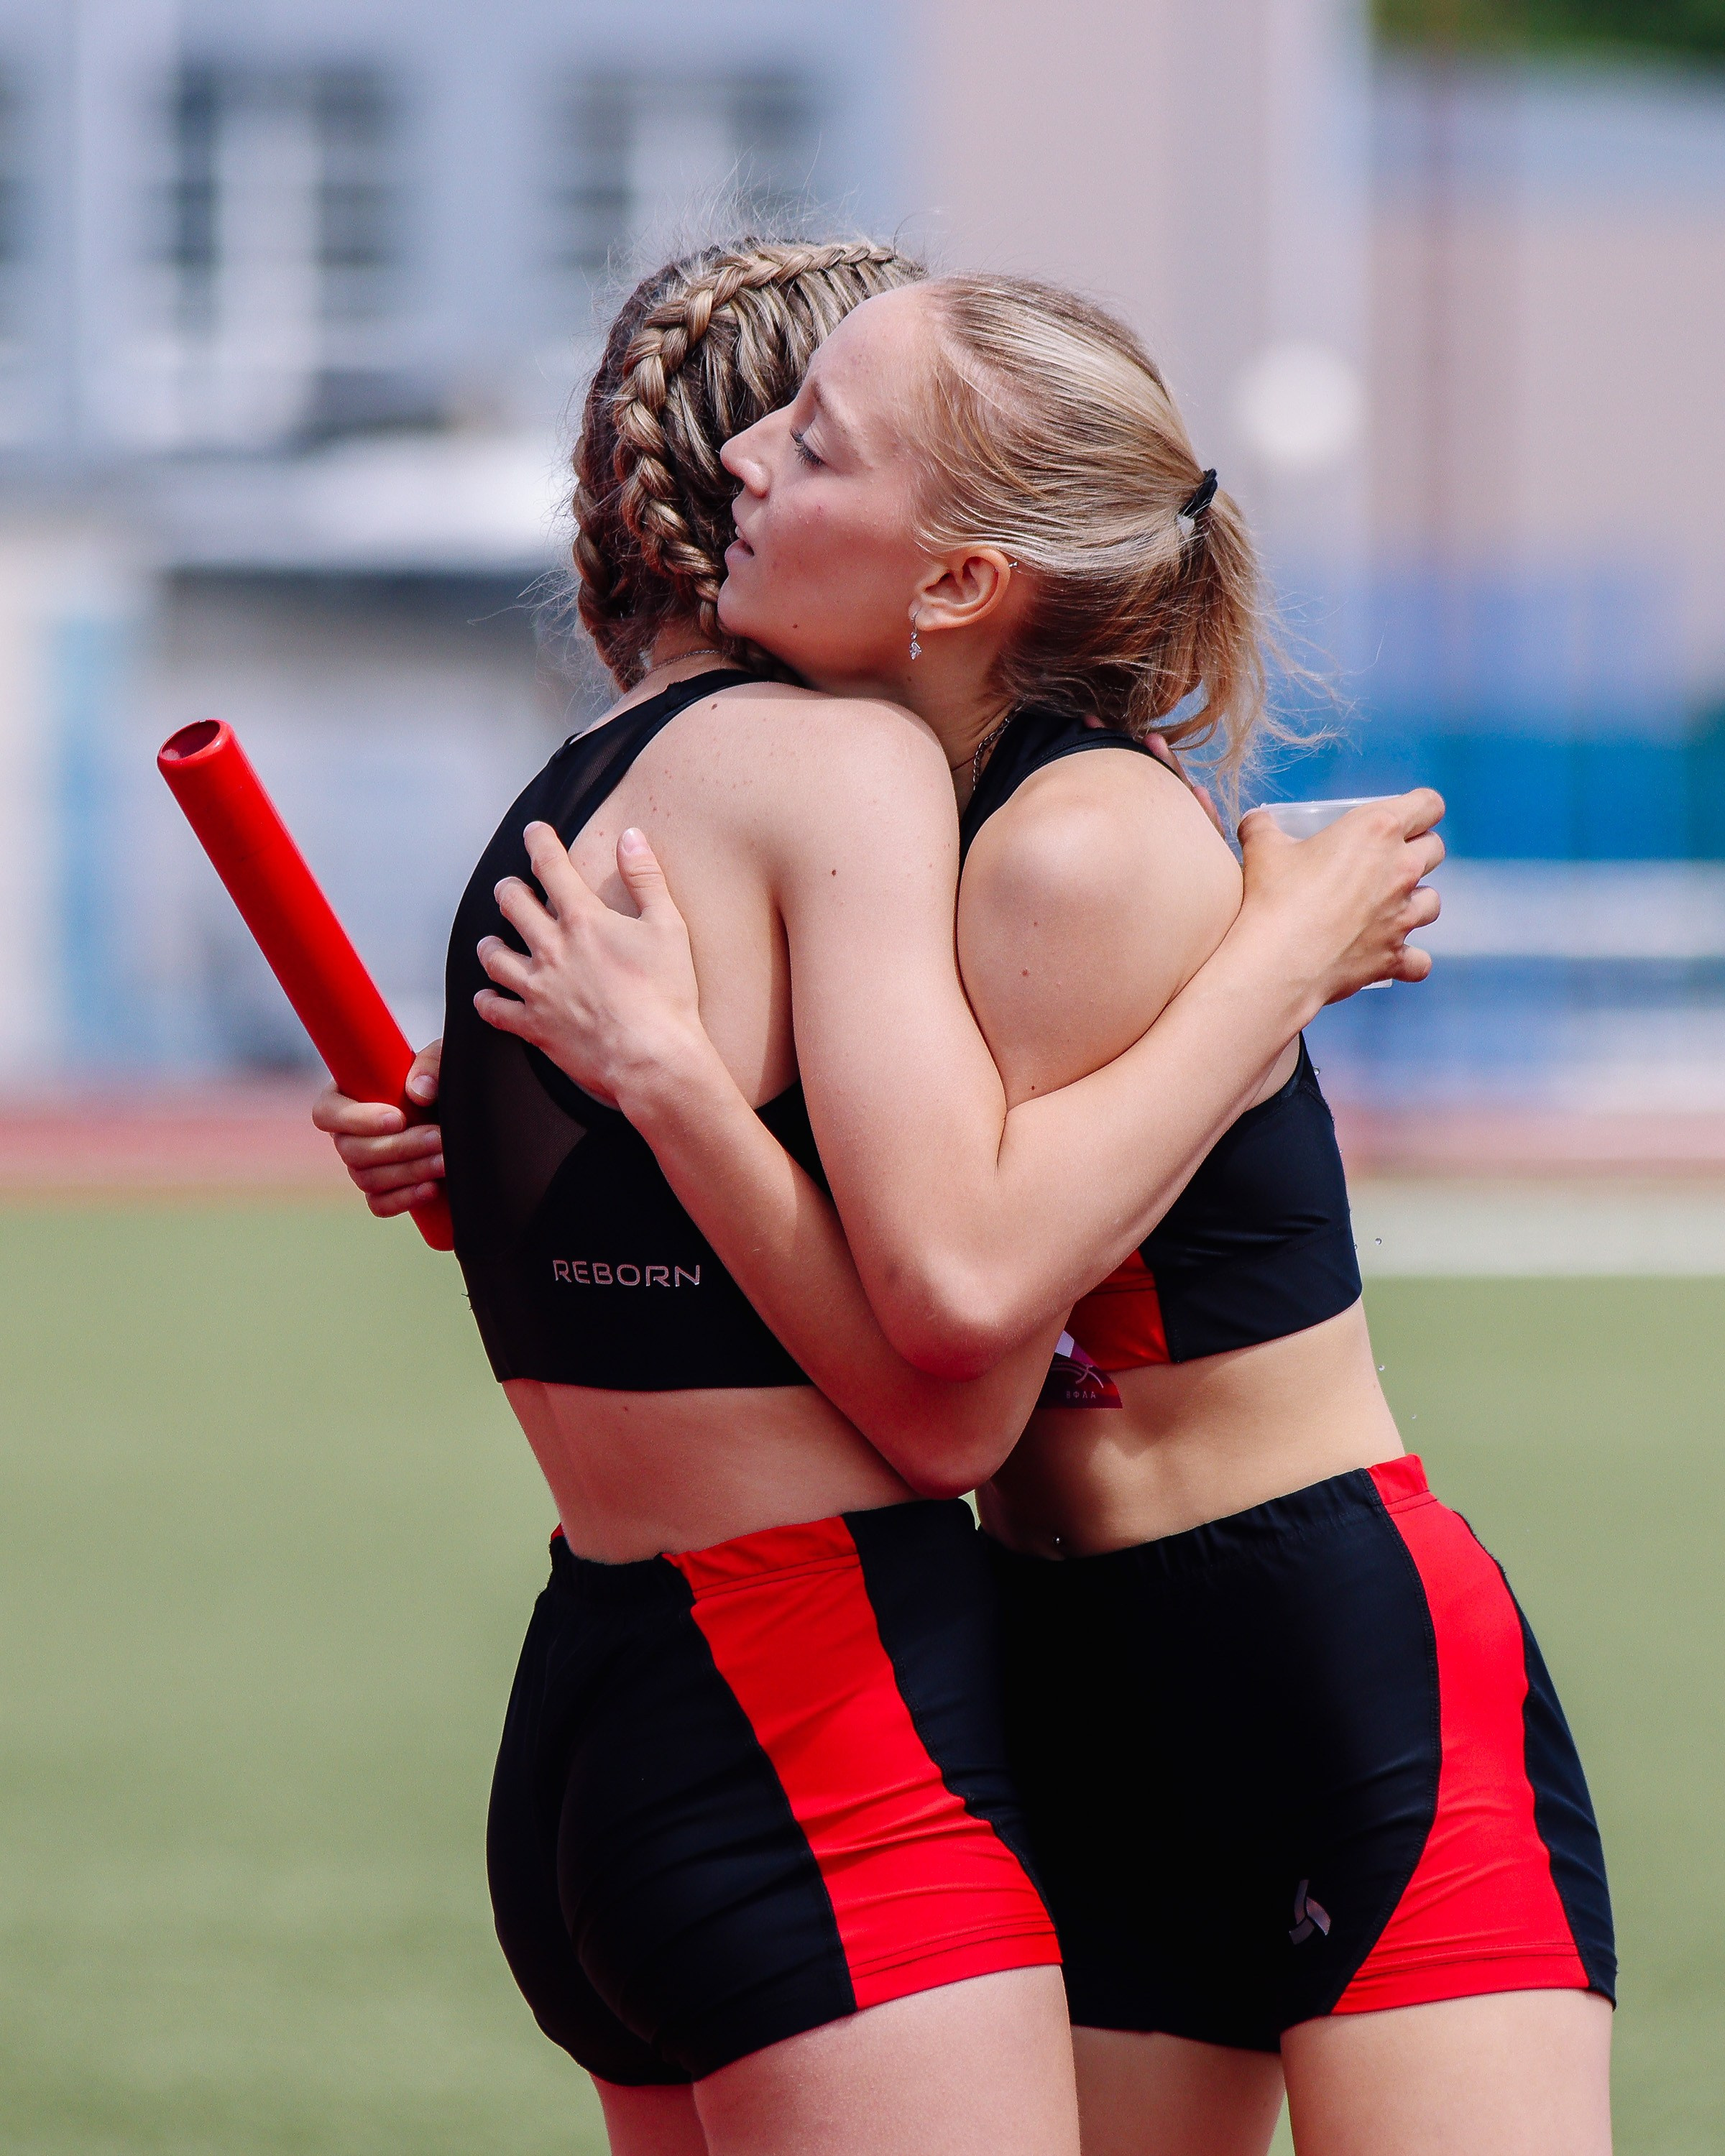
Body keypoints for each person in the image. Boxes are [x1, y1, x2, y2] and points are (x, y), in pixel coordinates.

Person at [440, 273, 1613, 2156]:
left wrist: (1282, 965)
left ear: (958, 582)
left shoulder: (1065, 843)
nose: (746, 464)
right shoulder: (897, 826)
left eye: (813, 442)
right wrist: (534, 1126)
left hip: (1324, 1663)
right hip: (1079, 1671)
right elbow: (834, 1215)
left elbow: (968, 1276)